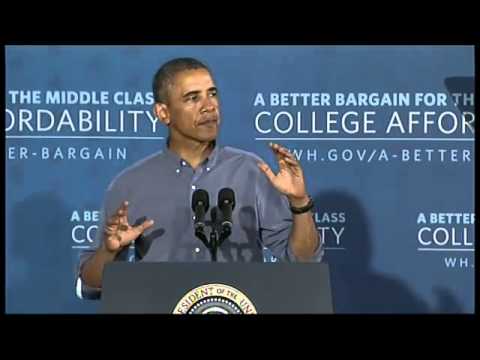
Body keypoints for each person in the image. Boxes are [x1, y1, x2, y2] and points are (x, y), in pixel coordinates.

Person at [77, 57, 323, 296]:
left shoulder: (251, 171)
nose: (209, 106)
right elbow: (90, 284)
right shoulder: (129, 184)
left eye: (212, 94)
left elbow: (303, 262)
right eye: (193, 98)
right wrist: (109, 252)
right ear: (163, 113)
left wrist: (300, 203)